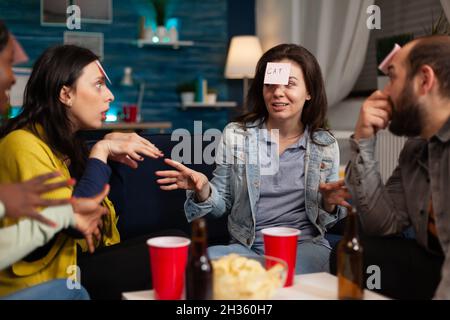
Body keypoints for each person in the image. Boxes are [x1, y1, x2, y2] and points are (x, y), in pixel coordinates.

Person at [156, 43, 347, 274]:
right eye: (270, 84)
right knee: (198, 267)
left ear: (309, 92)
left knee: (279, 276)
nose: (277, 92)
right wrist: (203, 188)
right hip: (245, 248)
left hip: (303, 249)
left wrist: (328, 201)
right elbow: (219, 207)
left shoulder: (324, 144)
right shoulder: (236, 134)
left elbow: (327, 222)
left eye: (289, 84)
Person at [0, 38, 165, 299]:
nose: (109, 95)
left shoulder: (67, 145)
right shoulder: (22, 144)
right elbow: (74, 225)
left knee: (172, 240)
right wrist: (102, 151)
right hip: (45, 282)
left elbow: (105, 214)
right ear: (65, 94)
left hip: (76, 265)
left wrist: (106, 153)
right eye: (98, 85)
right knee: (168, 251)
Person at [325, 35, 450, 300]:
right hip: (436, 262)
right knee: (353, 253)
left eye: (392, 78)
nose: (382, 93)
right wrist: (363, 139)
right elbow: (383, 224)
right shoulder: (416, 149)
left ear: (424, 80)